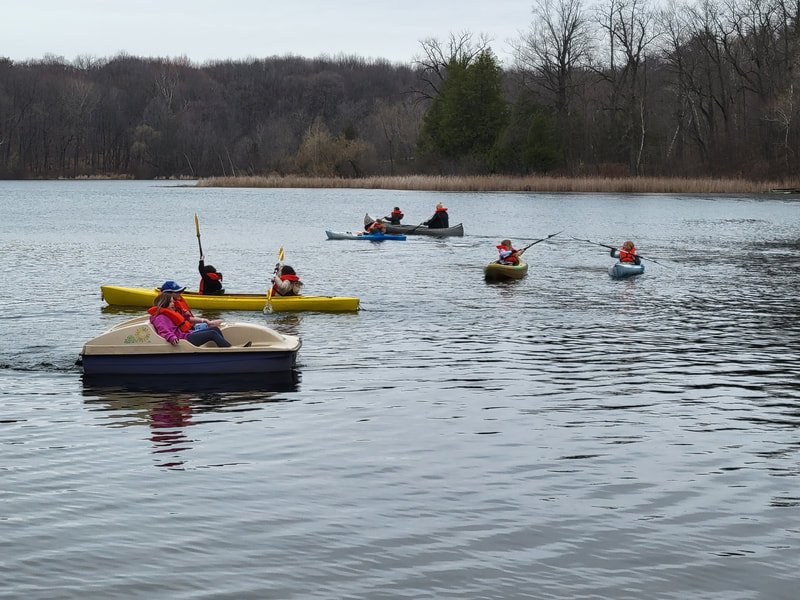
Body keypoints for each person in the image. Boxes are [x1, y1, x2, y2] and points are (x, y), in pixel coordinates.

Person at [148, 292, 232, 347]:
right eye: (170, 302)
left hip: (187, 334)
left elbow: (179, 323)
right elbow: (163, 331)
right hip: (184, 339)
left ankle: (224, 348)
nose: (173, 304)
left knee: (215, 329)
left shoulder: (167, 314)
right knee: (212, 334)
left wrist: (186, 316)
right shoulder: (160, 318)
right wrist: (171, 337)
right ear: (163, 303)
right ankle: (228, 351)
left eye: (172, 301)